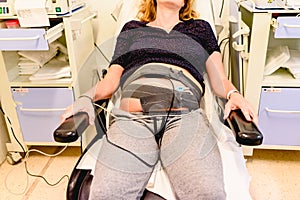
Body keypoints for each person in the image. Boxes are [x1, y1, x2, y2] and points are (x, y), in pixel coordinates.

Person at [62, 0, 257, 199]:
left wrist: (234, 94)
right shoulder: (132, 30)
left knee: (208, 193)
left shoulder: (200, 28)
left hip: (184, 115)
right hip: (133, 117)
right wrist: (86, 98)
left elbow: (219, 80)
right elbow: (110, 81)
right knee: (107, 195)